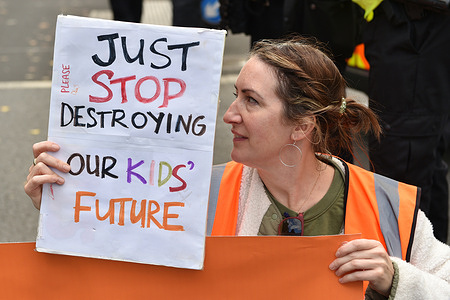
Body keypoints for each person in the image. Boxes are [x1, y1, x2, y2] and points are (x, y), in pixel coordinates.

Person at [25, 37, 450, 299]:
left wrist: (395, 280)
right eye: (235, 95)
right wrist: (64, 209)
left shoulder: (391, 204)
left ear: (301, 127)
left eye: (251, 100)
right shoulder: (191, 191)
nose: (229, 114)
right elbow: (118, 273)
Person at [362, 0, 450, 243]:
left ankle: (405, 269)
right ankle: (433, 267)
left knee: (402, 169)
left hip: (415, 27)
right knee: (426, 160)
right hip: (409, 26)